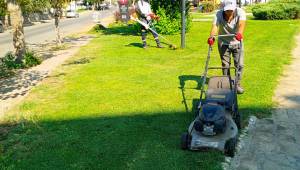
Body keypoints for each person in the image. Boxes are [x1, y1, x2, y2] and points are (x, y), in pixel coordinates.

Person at [207, 0, 246, 94]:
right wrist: (212, 37)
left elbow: (242, 24)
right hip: (223, 43)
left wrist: (240, 33)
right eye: (227, 10)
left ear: (234, 8)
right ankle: (227, 85)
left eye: (231, 10)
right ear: (223, 9)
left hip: (237, 41)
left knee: (239, 65)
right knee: (225, 65)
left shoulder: (240, 12)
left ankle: (237, 84)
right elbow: (215, 27)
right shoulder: (218, 14)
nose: (229, 12)